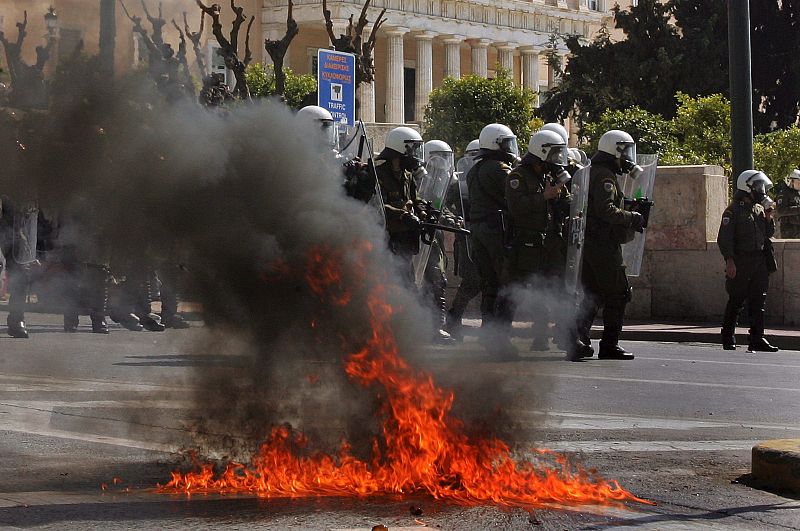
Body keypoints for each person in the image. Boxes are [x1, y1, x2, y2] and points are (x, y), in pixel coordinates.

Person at [570, 130, 645, 361]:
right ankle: (609, 344)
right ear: (616, 150)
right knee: (619, 293)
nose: (628, 158)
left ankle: (577, 340)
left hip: (590, 244)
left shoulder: (594, 171)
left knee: (593, 294)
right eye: (626, 151)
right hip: (603, 244)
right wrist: (632, 217)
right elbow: (605, 210)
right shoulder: (605, 176)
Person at [505, 130, 571, 351]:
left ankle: (554, 336)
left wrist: (566, 198)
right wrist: (543, 196)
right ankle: (500, 339)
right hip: (527, 243)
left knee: (554, 288)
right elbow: (516, 208)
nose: (557, 159)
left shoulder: (549, 176)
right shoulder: (518, 177)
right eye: (553, 154)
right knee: (517, 290)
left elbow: (566, 202)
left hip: (550, 242)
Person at [467, 123, 519, 357]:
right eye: (506, 143)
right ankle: (500, 340)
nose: (510, 148)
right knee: (506, 284)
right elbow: (513, 198)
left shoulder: (474, 170)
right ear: (496, 144)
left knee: (489, 285)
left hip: (478, 230)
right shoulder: (500, 169)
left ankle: (488, 336)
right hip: (496, 230)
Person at [718, 170, 779, 352]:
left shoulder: (758, 209)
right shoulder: (733, 210)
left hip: (759, 260)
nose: (761, 190)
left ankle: (757, 338)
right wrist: (730, 261)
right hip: (741, 260)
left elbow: (768, 234)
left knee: (759, 300)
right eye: (758, 186)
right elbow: (724, 238)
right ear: (747, 187)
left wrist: (768, 216)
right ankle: (728, 337)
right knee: (736, 299)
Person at [374, 126, 426, 284]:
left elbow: (415, 199)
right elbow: (378, 206)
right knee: (390, 283)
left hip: (405, 238)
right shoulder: (378, 175)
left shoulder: (408, 175)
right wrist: (403, 215)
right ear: (400, 149)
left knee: (408, 282)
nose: (415, 154)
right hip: (386, 239)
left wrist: (424, 211)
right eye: (413, 149)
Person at [444, 139, 481, 341]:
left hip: (485, 235)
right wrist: (453, 219)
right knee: (472, 281)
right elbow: (443, 204)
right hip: (466, 237)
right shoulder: (459, 184)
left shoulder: (489, 178)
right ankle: (454, 318)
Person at [776, 169, 800, 239]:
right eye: (798, 182)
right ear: (791, 181)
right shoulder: (783, 194)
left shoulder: (796, 193)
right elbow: (781, 211)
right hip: (789, 229)